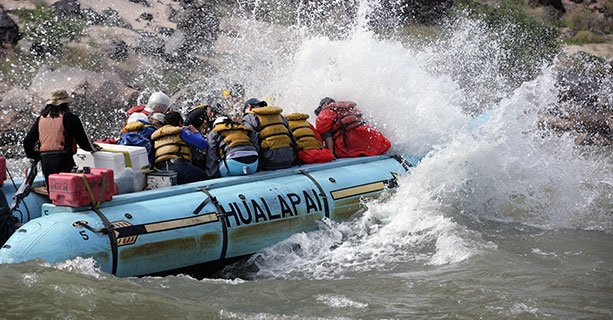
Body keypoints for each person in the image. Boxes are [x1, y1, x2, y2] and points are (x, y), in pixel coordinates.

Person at [23, 89, 96, 185]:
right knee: (68, 189)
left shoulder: (40, 119)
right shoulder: (70, 118)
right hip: (64, 159)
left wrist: (34, 155)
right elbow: (84, 144)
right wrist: (94, 149)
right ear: (66, 104)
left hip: (46, 161)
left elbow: (27, 141)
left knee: (53, 191)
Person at [315, 97, 391, 158]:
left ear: (324, 105)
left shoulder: (325, 112)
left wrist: (330, 155)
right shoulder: (349, 109)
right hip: (373, 138)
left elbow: (326, 135)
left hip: (349, 145)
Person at [150, 111, 208, 184]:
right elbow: (203, 145)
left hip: (161, 169)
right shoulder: (180, 131)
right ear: (180, 122)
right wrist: (195, 132)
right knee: (204, 177)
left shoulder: (156, 135)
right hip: (178, 166)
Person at [242, 98, 297, 170]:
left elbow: (253, 142)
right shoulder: (279, 116)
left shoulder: (248, 117)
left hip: (269, 162)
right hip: (290, 160)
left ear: (249, 107)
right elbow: (292, 137)